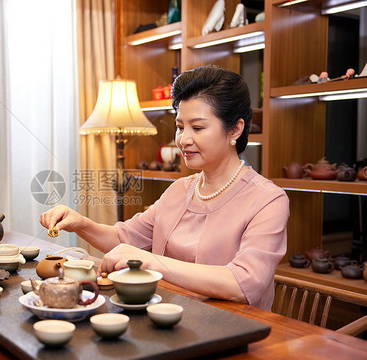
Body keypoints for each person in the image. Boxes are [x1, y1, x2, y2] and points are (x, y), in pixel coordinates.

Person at [40, 65, 289, 311]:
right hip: (166, 317)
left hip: (233, 329)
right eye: (180, 127)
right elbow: (124, 239)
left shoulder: (268, 200)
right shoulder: (179, 190)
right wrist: (80, 223)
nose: (183, 139)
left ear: (235, 129)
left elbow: (243, 283)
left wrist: (153, 262)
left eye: (198, 128)